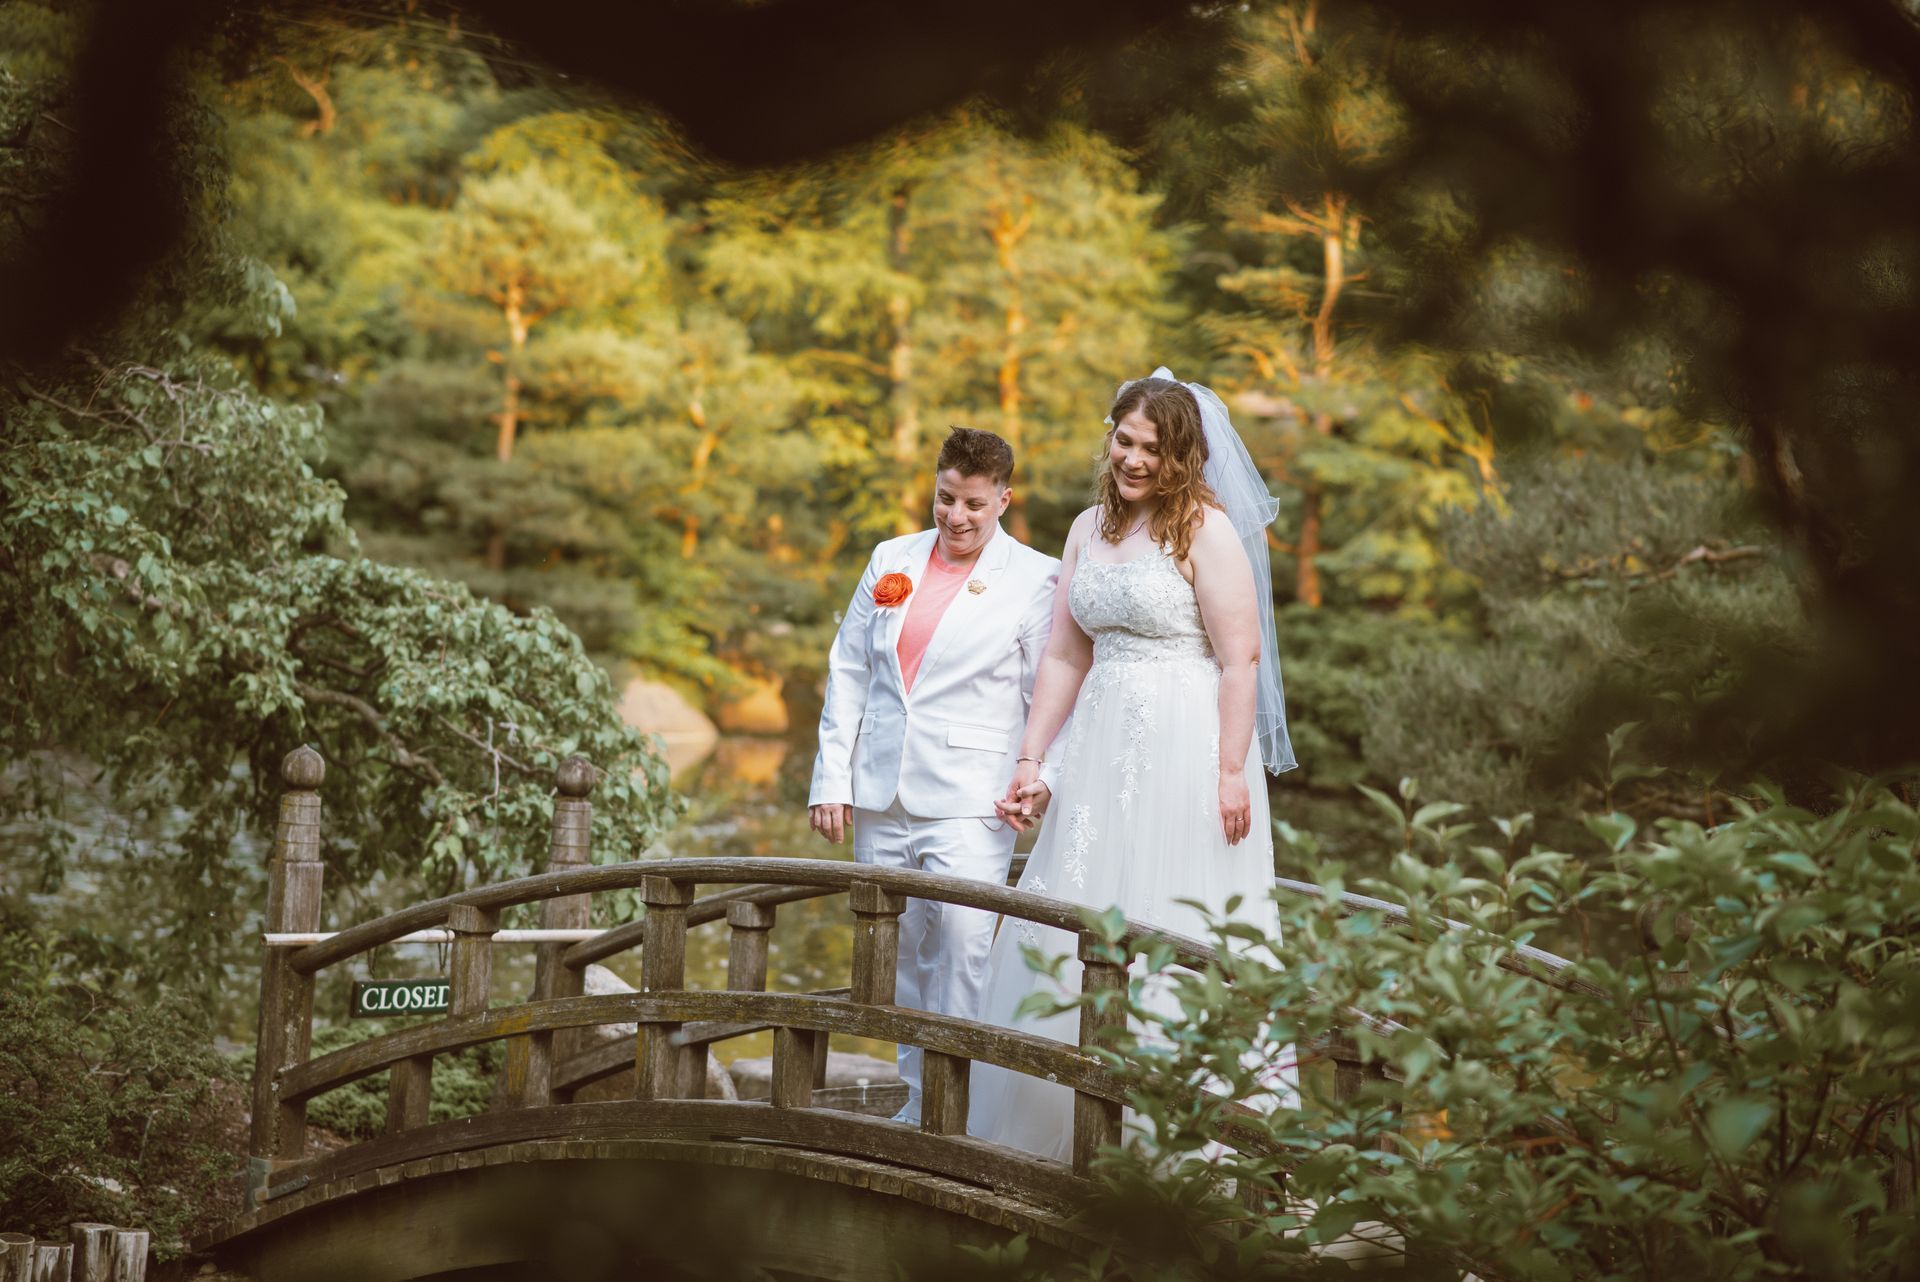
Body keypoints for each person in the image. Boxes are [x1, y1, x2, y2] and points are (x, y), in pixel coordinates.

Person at [968, 368, 1299, 1162]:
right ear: (1109, 437)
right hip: (1098, 746)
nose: (1135, 460)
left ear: (1183, 457)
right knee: (1080, 905)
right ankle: (1059, 1133)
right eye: (1125, 441)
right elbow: (1064, 655)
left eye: (1154, 449)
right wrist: (1031, 757)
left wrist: (1229, 771)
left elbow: (1241, 661)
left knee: (1172, 912)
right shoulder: (1087, 529)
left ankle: (1188, 1147)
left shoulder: (1206, 531)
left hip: (1189, 749)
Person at [808, 426, 1065, 1124]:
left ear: (1003, 500)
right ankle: (919, 1106)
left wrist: (1043, 775)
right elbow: (849, 670)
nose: (956, 516)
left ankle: (957, 1117)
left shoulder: (1036, 577)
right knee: (900, 960)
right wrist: (831, 779)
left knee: (961, 953)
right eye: (946, 498)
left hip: (972, 799)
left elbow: (1051, 691)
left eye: (974, 504)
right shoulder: (890, 558)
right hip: (881, 791)